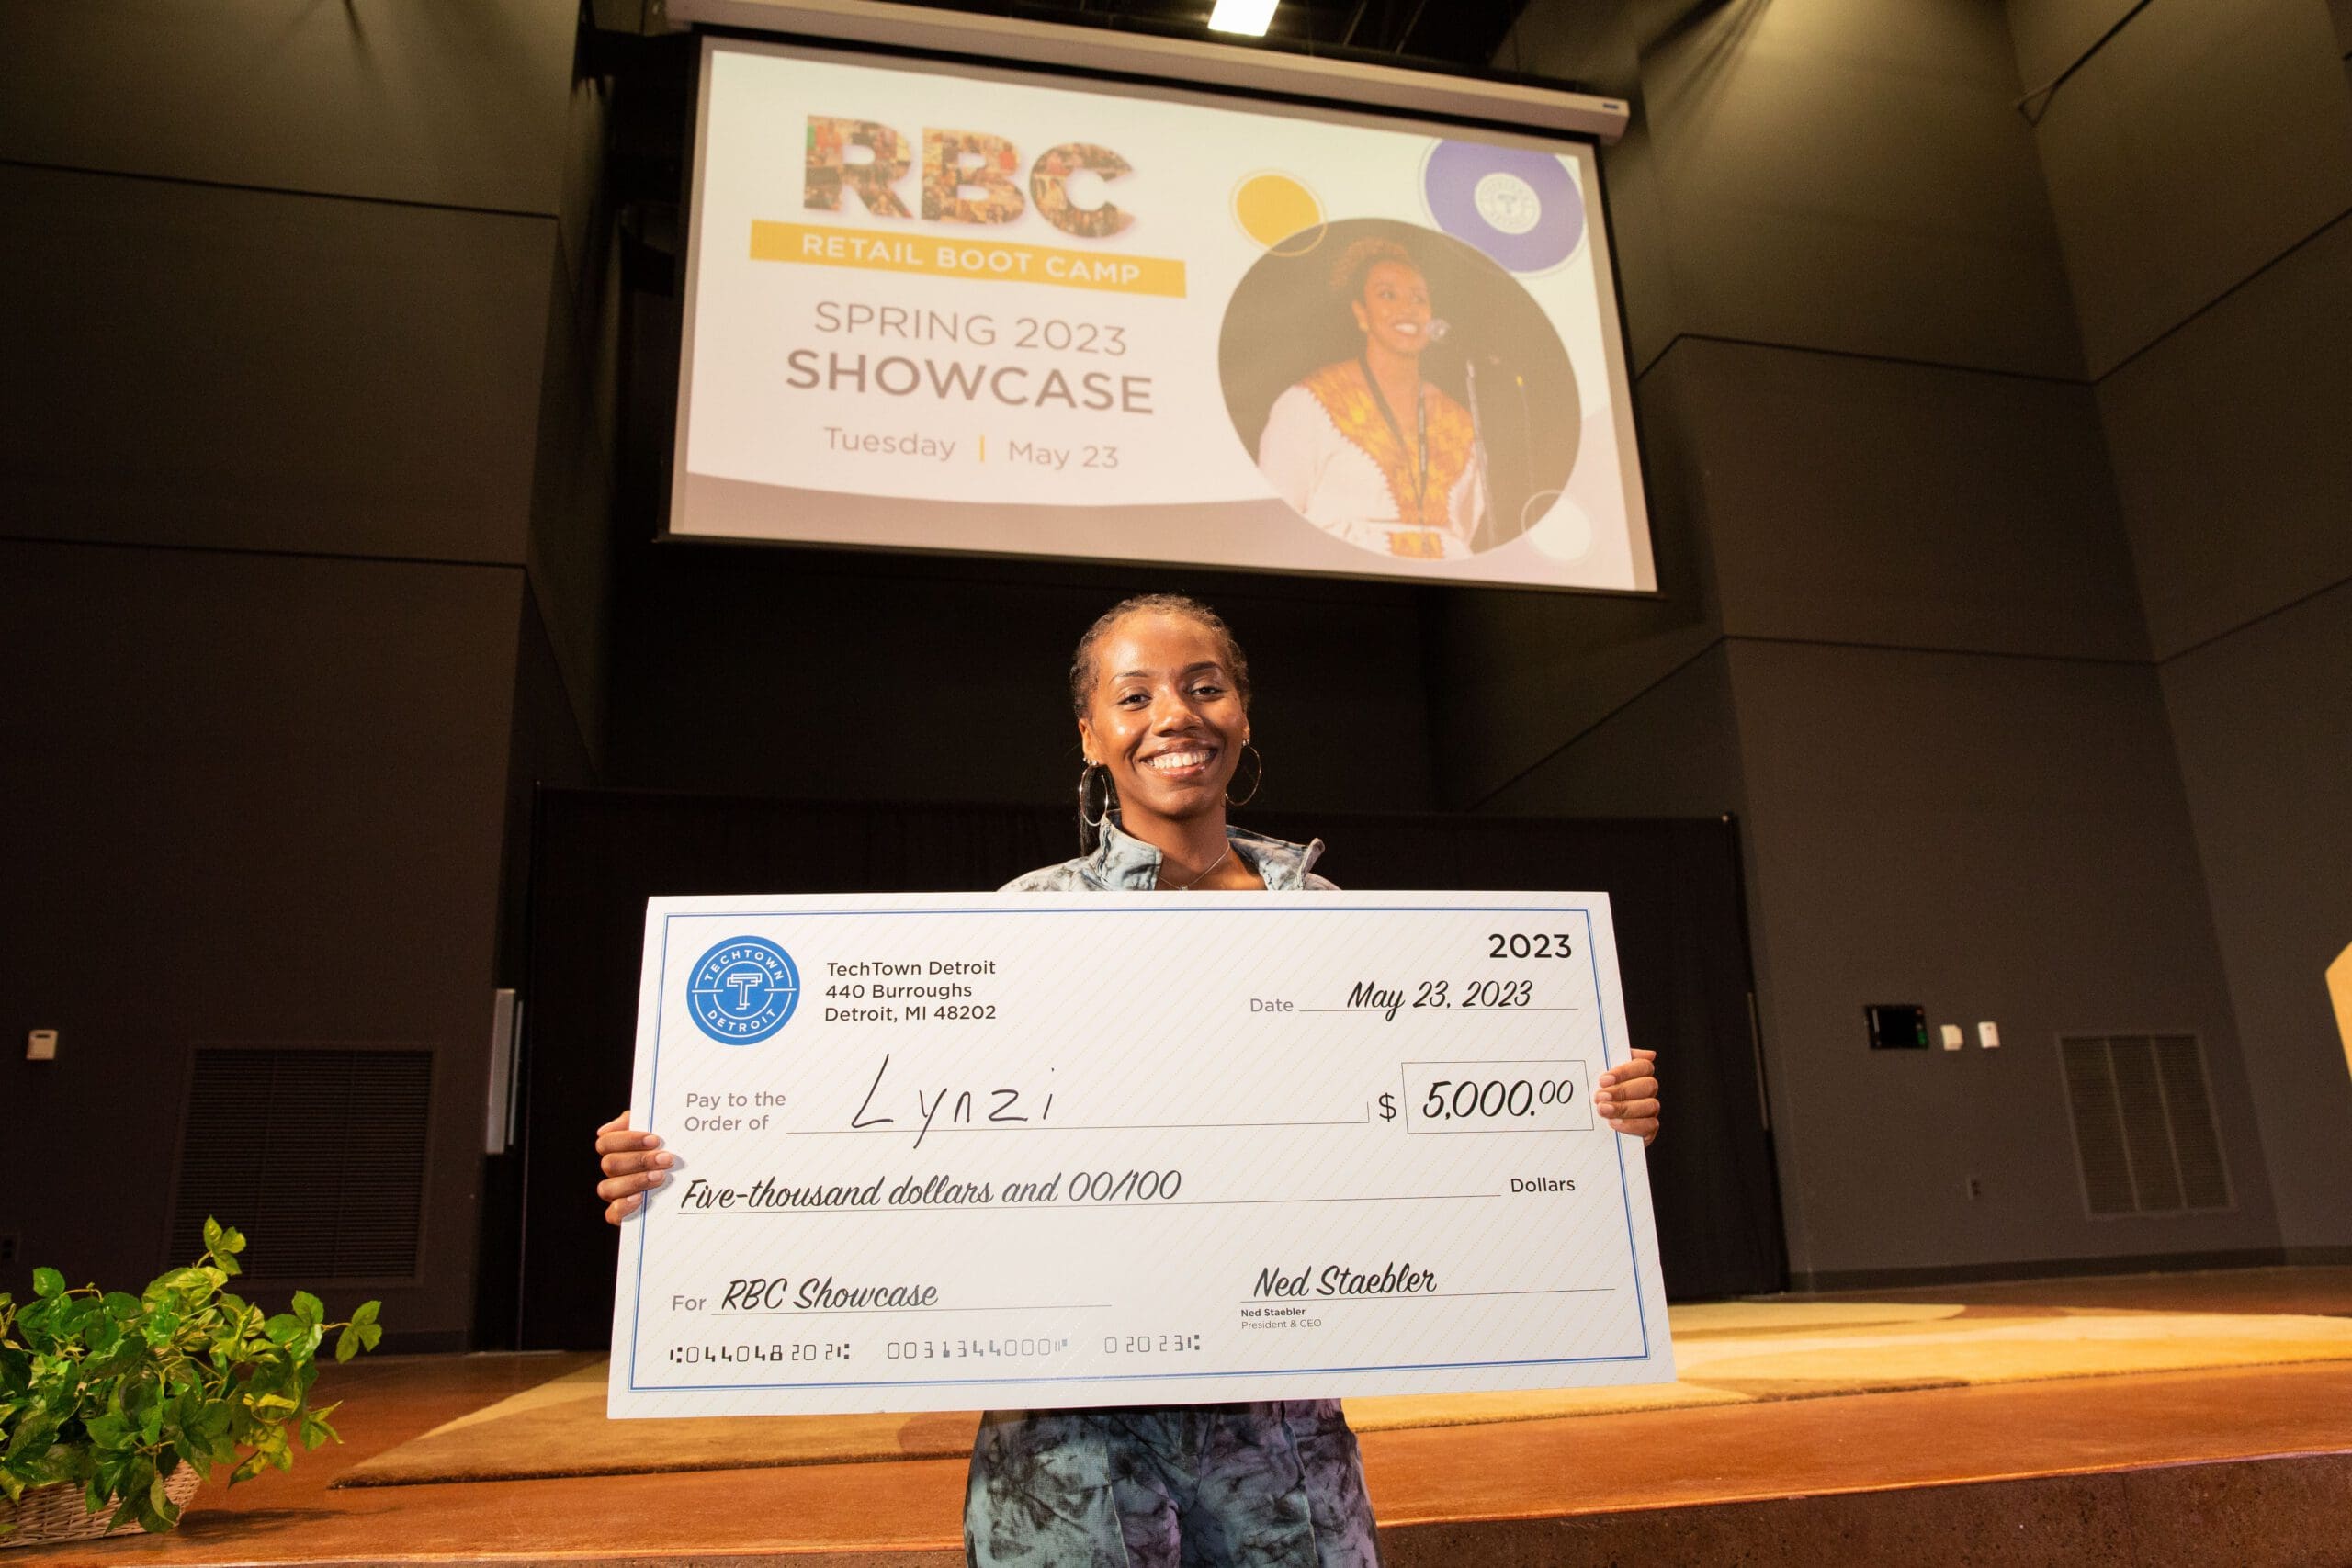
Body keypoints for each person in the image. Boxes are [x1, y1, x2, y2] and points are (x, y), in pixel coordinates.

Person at [596, 593, 1663, 1568]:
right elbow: (894, 1135)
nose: (1176, 716)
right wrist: (695, 1170)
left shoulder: (1332, 917)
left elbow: (1426, 1123)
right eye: (1135, 694)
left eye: (1206, 686)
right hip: (1067, 1446)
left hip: (1279, 1435)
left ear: (1243, 712)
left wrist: (1582, 1116)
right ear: (1091, 735)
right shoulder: (1025, 917)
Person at [1256, 240, 1489, 562]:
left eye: (1419, 298)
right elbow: (1276, 522)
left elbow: (1468, 525)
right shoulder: (1308, 404)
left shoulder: (1460, 420)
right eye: (1388, 295)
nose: (1408, 308)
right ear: (1361, 313)